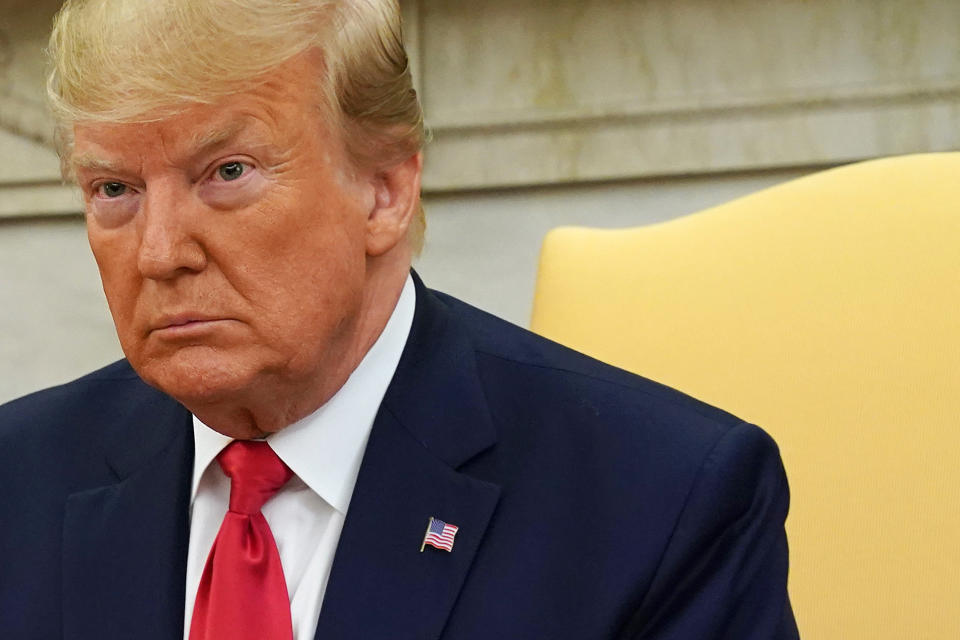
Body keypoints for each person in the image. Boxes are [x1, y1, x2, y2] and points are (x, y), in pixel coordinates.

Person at [0, 0, 799, 638]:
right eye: (114, 190)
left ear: (384, 187)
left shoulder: (659, 502)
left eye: (227, 172)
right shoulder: (18, 485)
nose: (159, 252)